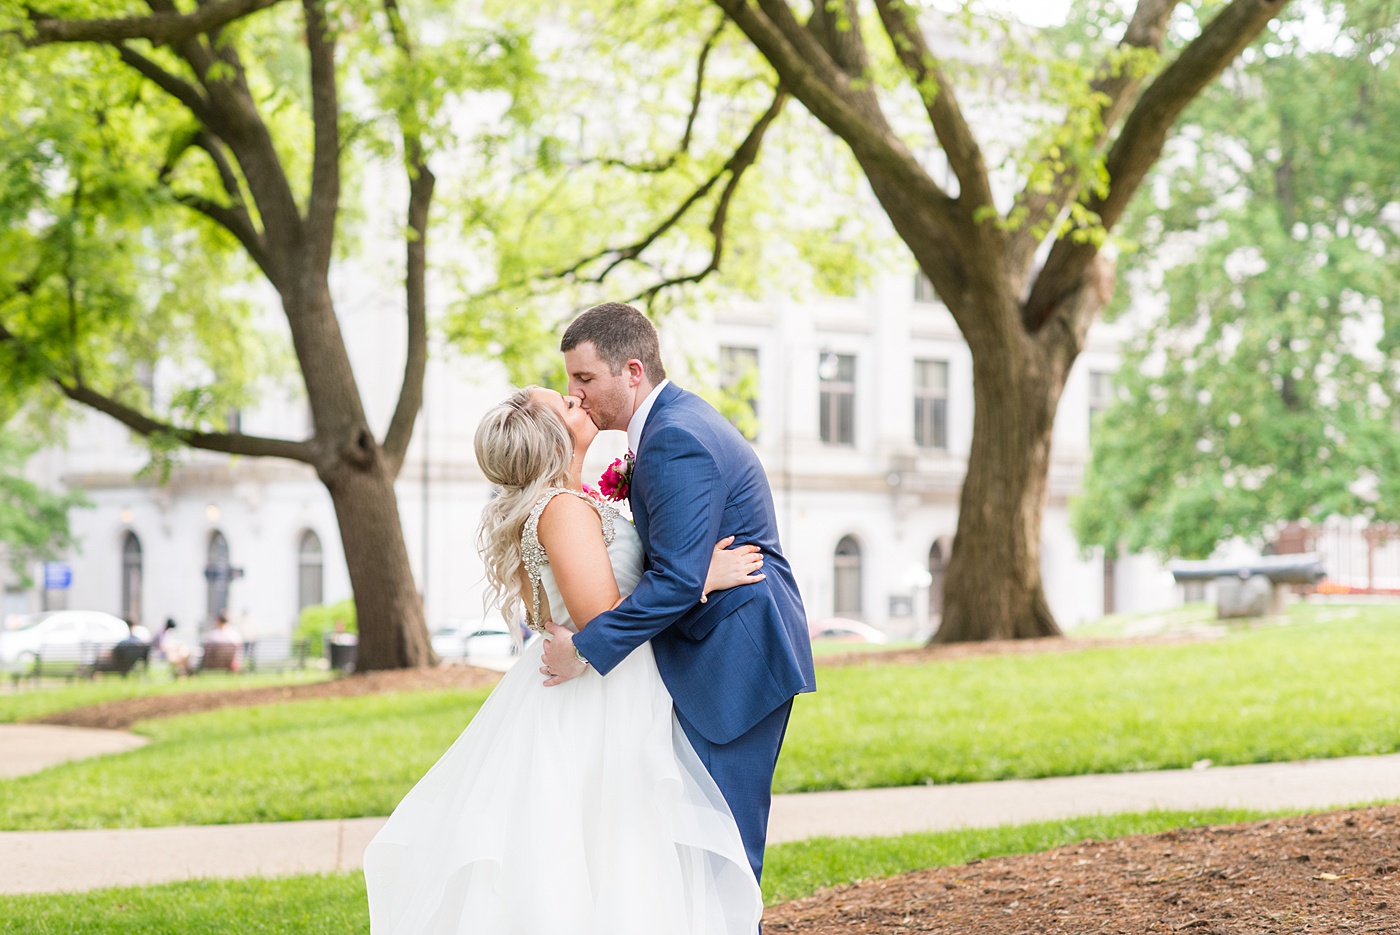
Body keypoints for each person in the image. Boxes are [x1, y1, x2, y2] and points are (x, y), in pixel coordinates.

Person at [364, 385, 768, 934]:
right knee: (609, 844)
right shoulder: (563, 510)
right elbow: (601, 617)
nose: (579, 400)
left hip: (597, 683)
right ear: (555, 437)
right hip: (598, 694)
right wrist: (697, 581)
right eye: (567, 405)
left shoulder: (567, 505)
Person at [541, 302, 817, 886]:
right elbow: (682, 570)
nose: (575, 395)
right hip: (720, 650)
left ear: (633, 371)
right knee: (697, 851)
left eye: (585, 378)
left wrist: (584, 649)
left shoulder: (674, 437)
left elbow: (673, 581)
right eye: (570, 379)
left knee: (724, 855)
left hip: (733, 663)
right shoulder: (672, 424)